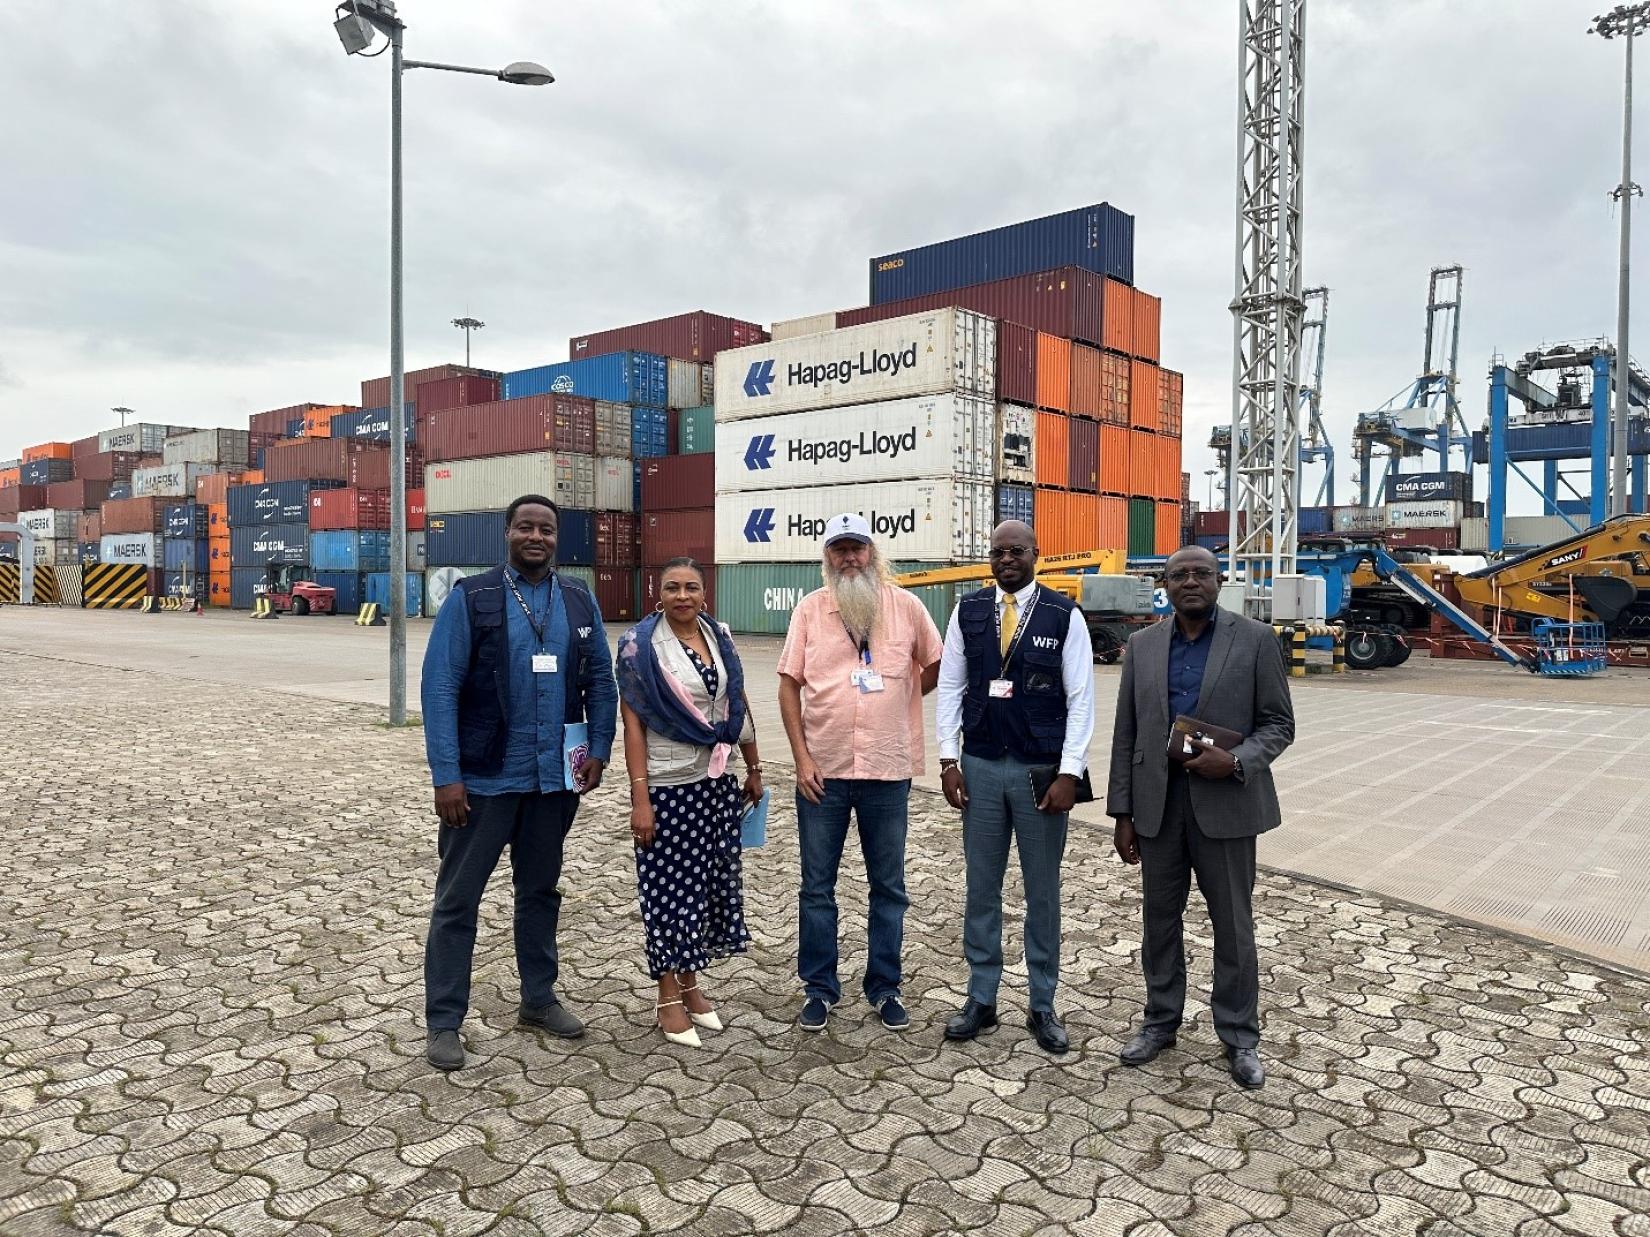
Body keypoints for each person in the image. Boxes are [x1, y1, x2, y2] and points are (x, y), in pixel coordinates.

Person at [419, 494, 618, 1072]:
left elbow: (601, 681)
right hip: (483, 782)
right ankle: (444, 1021)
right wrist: (447, 776)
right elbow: (439, 690)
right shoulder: (472, 598)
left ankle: (537, 999)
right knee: (458, 902)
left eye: (548, 529)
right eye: (526, 527)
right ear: (507, 533)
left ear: (558, 538)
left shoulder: (579, 599)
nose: (537, 536)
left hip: (551, 782)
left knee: (539, 894)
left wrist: (599, 749)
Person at [1105, 544, 1294, 1089]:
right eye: (1180, 574)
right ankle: (1160, 1021)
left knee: (1233, 926)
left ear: (1218, 581)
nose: (1191, 581)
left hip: (1227, 807)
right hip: (1158, 809)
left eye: (1202, 573)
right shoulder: (1141, 646)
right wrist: (1123, 812)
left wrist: (1236, 761)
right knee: (1158, 923)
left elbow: (1279, 724)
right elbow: (1128, 735)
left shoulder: (1255, 640)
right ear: (1163, 583)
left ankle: (1239, 1036)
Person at [778, 513, 944, 1033]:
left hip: (887, 770)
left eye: (858, 548)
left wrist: (900, 700)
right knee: (817, 887)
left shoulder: (908, 608)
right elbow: (788, 686)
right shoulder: (810, 610)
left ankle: (884, 987)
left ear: (873, 553)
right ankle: (820, 989)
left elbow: (936, 664)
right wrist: (802, 759)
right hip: (821, 772)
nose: (849, 558)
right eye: (839, 550)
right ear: (827, 557)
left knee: (889, 886)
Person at [935, 520, 1094, 1055]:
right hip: (979, 765)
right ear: (990, 557)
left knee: (1042, 891)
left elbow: (1082, 698)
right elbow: (952, 686)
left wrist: (1070, 771)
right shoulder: (967, 611)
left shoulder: (1063, 615)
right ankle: (981, 996)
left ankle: (1042, 1003)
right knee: (981, 887)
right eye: (998, 551)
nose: (1007, 559)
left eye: (1017, 551)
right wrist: (947, 759)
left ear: (1036, 554)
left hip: (1040, 773)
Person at [616, 558, 763, 1049]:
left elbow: (735, 703)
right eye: (673, 588)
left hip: (715, 782)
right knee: (667, 891)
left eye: (692, 587)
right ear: (659, 593)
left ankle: (692, 986)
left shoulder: (718, 634)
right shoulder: (638, 646)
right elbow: (633, 724)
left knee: (704, 888)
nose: (683, 595)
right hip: (667, 784)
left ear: (705, 593)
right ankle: (666, 997)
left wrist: (755, 766)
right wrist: (641, 796)